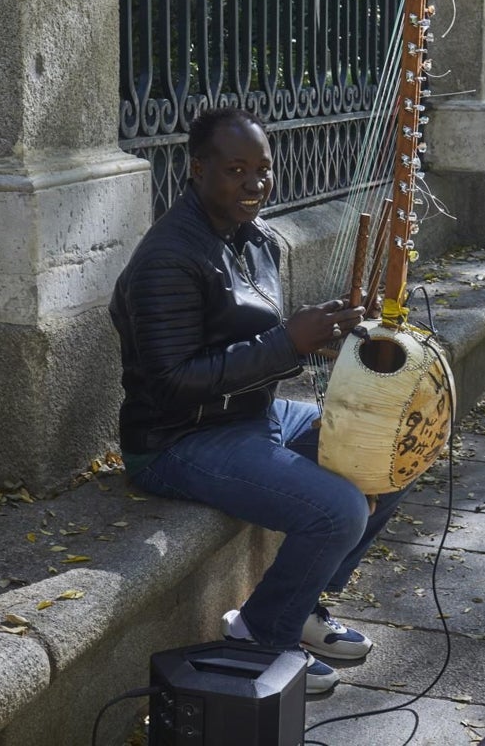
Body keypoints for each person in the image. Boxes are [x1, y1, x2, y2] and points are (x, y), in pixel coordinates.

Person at [110, 106, 411, 695]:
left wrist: (331, 336)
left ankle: (300, 610)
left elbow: (256, 341)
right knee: (339, 509)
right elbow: (171, 380)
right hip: (177, 440)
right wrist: (285, 342)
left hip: (250, 414)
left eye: (263, 170)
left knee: (388, 454)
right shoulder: (168, 259)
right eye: (236, 170)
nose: (255, 183)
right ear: (197, 171)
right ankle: (259, 634)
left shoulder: (251, 236)